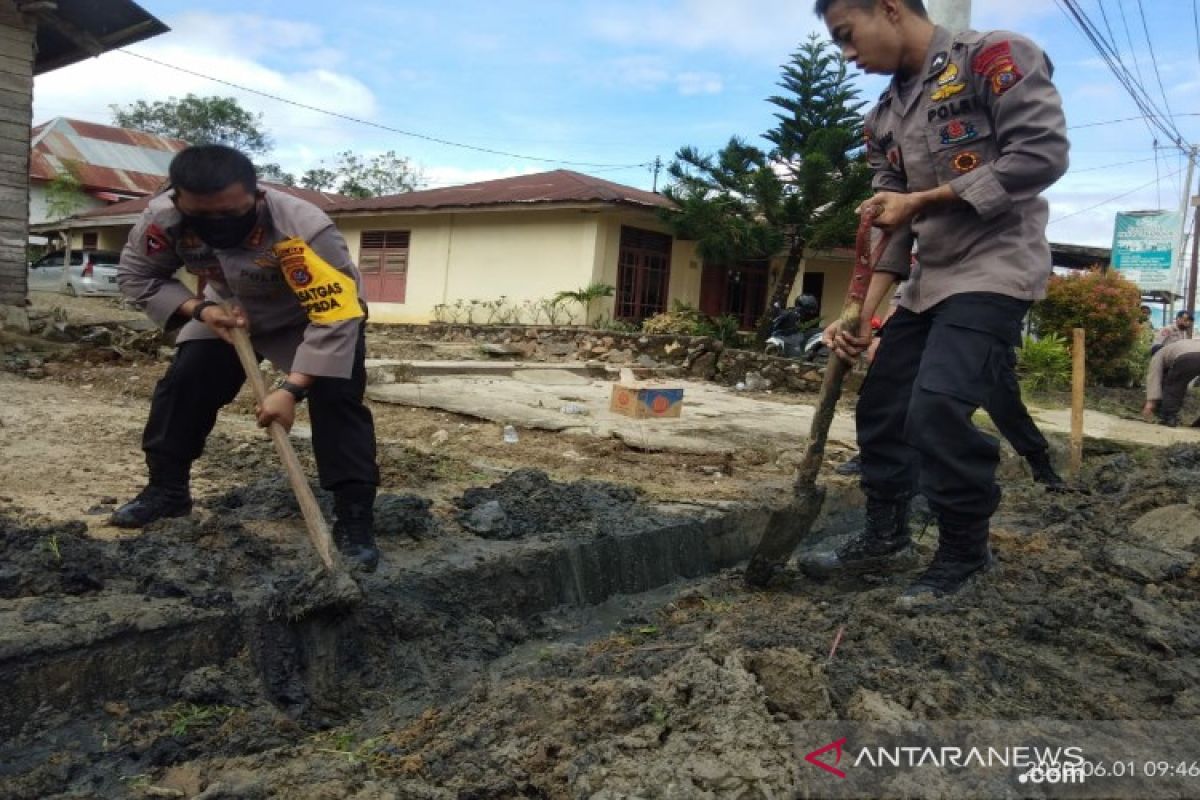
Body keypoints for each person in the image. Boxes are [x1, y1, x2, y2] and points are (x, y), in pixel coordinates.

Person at [809, 0, 1069, 602]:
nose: (848, 57)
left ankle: (962, 552)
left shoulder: (995, 58)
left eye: (848, 36)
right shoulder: (881, 119)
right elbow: (891, 227)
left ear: (890, 9)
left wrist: (922, 200)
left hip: (996, 269)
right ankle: (885, 536)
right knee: (882, 407)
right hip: (928, 283)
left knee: (936, 409)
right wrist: (863, 319)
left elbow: (1041, 156)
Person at [110, 144, 381, 572]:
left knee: (337, 399)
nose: (217, 226)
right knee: (185, 382)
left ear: (255, 197)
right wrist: (200, 311)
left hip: (312, 317)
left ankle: (354, 519)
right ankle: (167, 491)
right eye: (204, 216)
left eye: (230, 215)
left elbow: (334, 316)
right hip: (230, 312)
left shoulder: (302, 228)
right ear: (178, 200)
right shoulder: (162, 220)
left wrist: (291, 389)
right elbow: (138, 274)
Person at [1141, 339, 1200, 427]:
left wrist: (1150, 404)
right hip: (1193, 354)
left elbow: (1154, 378)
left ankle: (1169, 417)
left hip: (1189, 357)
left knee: (1174, 386)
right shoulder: (1178, 345)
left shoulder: (1158, 354)